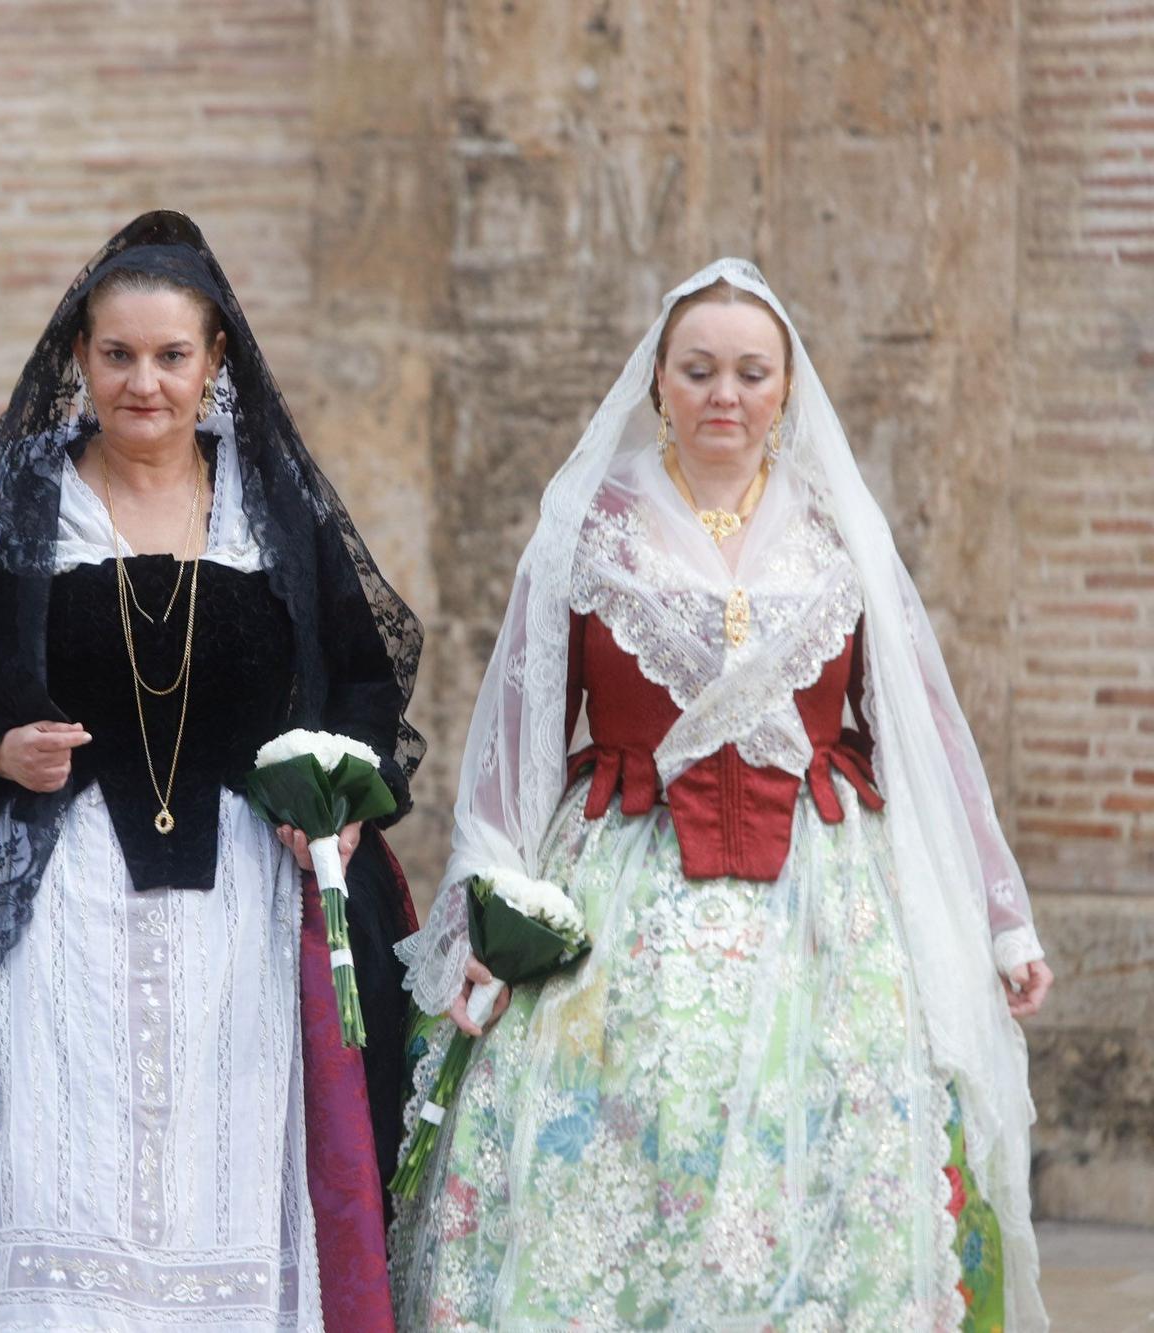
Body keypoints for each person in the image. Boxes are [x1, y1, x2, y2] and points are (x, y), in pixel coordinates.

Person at [0, 210, 424, 1331]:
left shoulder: (276, 514)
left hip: (245, 916)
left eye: (170, 356)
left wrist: (342, 803)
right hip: (54, 903)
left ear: (216, 362)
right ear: (78, 357)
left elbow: (362, 681)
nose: (143, 383)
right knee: (64, 1167)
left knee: (233, 1171)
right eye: (116, 355)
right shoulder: (11, 507)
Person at [388, 259, 1052, 1330]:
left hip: (824, 907)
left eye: (749, 372)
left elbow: (922, 733)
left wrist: (998, 917)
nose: (723, 395)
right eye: (697, 370)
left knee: (822, 1151)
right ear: (657, 380)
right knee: (628, 1140)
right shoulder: (588, 527)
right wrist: (483, 915)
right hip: (619, 894)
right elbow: (515, 734)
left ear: (785, 387)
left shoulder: (836, 534)